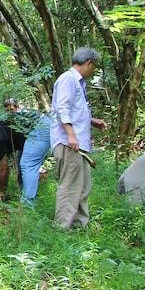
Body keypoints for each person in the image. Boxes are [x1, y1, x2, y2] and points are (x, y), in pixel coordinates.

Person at [50, 47, 107, 229]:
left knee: (83, 186)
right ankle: (62, 228)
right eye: (94, 66)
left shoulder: (78, 82)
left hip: (77, 144)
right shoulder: (68, 79)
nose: (94, 70)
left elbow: (74, 112)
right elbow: (62, 109)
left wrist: (91, 121)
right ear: (89, 63)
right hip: (69, 144)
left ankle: (79, 226)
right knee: (70, 187)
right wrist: (71, 135)